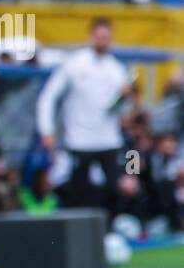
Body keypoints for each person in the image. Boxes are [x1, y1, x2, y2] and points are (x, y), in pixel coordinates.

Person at [36, 17, 133, 221]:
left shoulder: (116, 70)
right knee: (79, 192)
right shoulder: (74, 64)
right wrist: (47, 129)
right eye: (99, 37)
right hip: (79, 140)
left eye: (106, 37)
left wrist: (124, 99)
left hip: (108, 139)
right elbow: (48, 97)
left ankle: (108, 233)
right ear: (91, 37)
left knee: (115, 190)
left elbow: (119, 111)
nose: (102, 41)